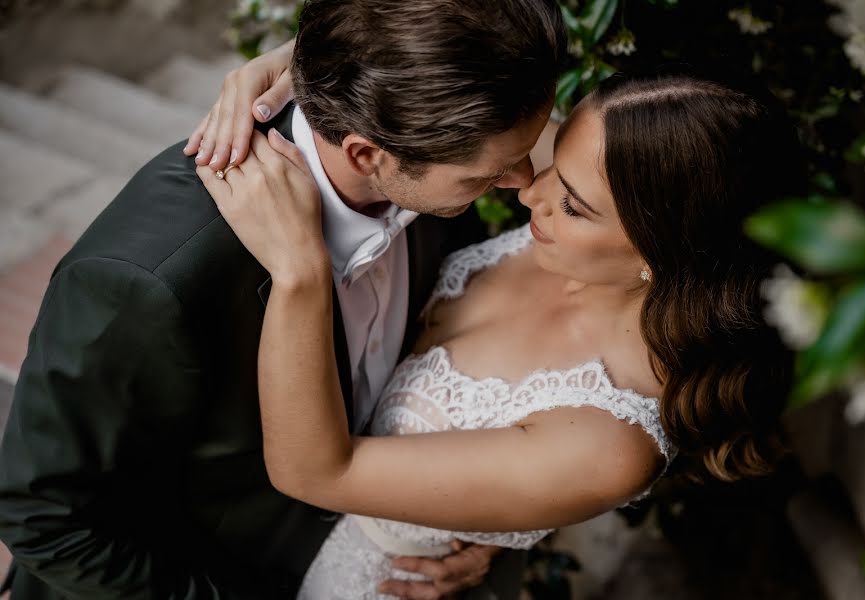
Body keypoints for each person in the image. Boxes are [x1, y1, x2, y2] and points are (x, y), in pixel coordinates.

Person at [0, 1, 568, 598]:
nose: (524, 184)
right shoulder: (148, 281)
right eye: (487, 174)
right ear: (365, 155)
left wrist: (479, 524)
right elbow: (45, 518)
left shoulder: (428, 141)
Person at [195, 57, 798, 599]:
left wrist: (300, 271)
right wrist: (299, 65)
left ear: (661, 256)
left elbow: (315, 471)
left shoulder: (605, 445)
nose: (529, 190)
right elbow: (440, 67)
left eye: (573, 206)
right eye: (554, 161)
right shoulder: (600, 173)